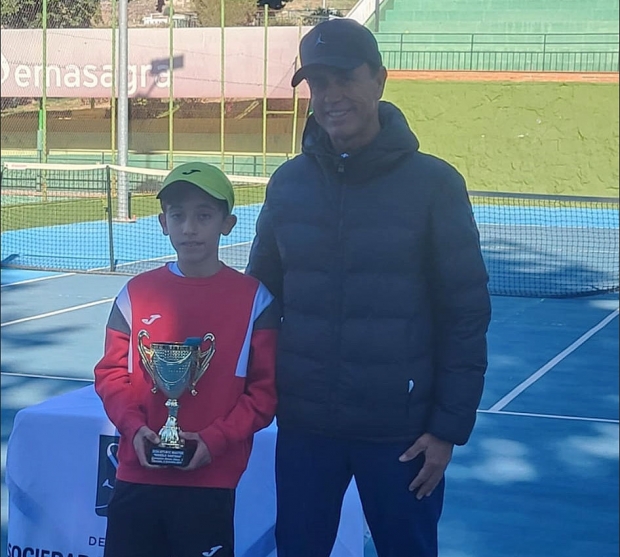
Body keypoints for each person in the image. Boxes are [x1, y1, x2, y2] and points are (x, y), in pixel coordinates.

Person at [246, 17, 492, 557]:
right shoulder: (287, 185)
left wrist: (447, 428)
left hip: (401, 437)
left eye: (343, 78)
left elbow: (465, 313)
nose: (330, 96)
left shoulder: (436, 185)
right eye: (317, 84)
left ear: (379, 79)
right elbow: (258, 304)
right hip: (307, 429)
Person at [94, 162, 279, 557]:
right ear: (163, 223)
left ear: (228, 224)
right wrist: (134, 429)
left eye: (204, 215)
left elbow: (264, 394)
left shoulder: (255, 299)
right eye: (178, 216)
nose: (189, 228)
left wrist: (214, 442)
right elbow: (110, 375)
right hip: (136, 474)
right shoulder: (134, 293)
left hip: (210, 481)